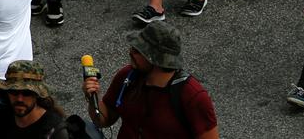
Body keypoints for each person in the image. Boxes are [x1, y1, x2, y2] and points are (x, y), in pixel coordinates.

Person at [83, 20, 219, 137]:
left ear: (156, 59)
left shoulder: (193, 97)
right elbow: (104, 120)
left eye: (138, 50)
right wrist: (92, 97)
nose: (130, 52)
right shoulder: (127, 76)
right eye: (133, 47)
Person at [0, 61, 70, 138]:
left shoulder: (54, 131)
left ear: (37, 94)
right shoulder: (1, 120)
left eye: (26, 93)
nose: (19, 99)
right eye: (14, 92)